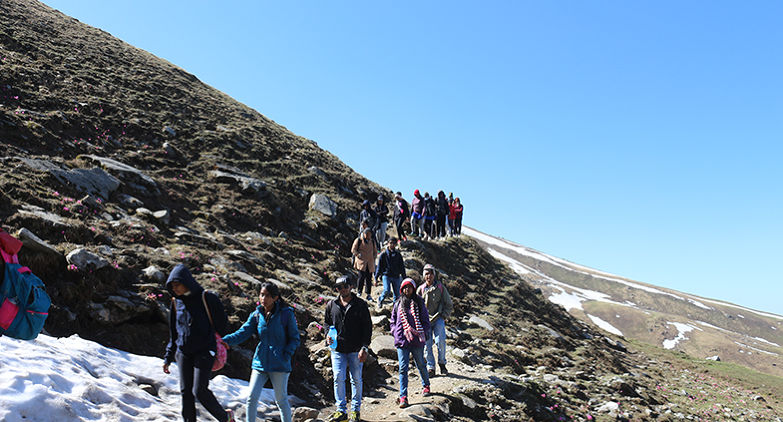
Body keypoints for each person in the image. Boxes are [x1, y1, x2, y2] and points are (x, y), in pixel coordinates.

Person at [163, 264, 235, 422]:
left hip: (205, 350)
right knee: (185, 392)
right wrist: (168, 357)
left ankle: (226, 418)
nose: (175, 289)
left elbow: (222, 325)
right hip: (183, 352)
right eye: (172, 286)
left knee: (199, 390)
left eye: (177, 285)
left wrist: (226, 343)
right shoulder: (176, 302)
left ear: (186, 281)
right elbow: (174, 333)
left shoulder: (206, 298)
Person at [222, 282, 300, 422]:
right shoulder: (257, 314)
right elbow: (242, 332)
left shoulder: (286, 314)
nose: (264, 298)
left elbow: (295, 338)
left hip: (280, 365)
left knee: (281, 401)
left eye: (268, 296)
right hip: (260, 362)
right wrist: (224, 341)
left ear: (276, 298)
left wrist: (285, 355)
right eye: (262, 294)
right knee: (251, 398)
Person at [324, 275, 373, 422]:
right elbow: (327, 323)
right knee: (338, 379)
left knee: (356, 379)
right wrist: (327, 335)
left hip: (356, 349)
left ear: (351, 286)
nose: (343, 289)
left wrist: (365, 347)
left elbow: (367, 327)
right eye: (339, 287)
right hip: (337, 349)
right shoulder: (331, 305)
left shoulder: (360, 304)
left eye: (345, 286)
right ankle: (341, 411)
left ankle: (355, 411)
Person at [390, 278, 431, 408]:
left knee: (420, 363)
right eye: (405, 287)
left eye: (410, 287)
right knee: (403, 368)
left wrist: (424, 332)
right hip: (402, 340)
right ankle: (403, 396)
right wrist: (395, 332)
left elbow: (425, 319)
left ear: (413, 288)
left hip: (417, 340)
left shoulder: (419, 303)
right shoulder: (398, 304)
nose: (407, 290)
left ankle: (426, 385)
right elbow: (393, 321)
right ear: (402, 289)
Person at [416, 264, 453, 377]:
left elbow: (449, 304)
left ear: (434, 275)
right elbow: (415, 305)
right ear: (424, 276)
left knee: (440, 341)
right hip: (425, 321)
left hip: (438, 319)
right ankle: (430, 367)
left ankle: (442, 363)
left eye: (431, 273)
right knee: (427, 344)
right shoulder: (420, 290)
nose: (429, 276)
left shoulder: (441, 288)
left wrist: (444, 315)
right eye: (426, 274)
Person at [374, 237, 405, 309]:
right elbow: (379, 267)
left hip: (396, 276)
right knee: (386, 290)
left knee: (397, 294)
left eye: (394, 243)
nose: (392, 245)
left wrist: (404, 278)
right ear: (387, 244)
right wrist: (376, 278)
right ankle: (380, 299)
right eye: (390, 243)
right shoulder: (383, 255)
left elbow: (402, 267)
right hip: (386, 275)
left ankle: (395, 308)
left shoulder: (398, 255)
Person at [351, 228, 377, 301]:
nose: (368, 235)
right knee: (361, 277)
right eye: (367, 234)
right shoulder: (358, 240)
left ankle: (368, 294)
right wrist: (358, 254)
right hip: (361, 262)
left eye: (370, 234)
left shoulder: (372, 241)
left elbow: (375, 251)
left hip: (370, 263)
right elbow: (353, 249)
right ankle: (359, 292)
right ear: (364, 233)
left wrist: (374, 257)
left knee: (369, 279)